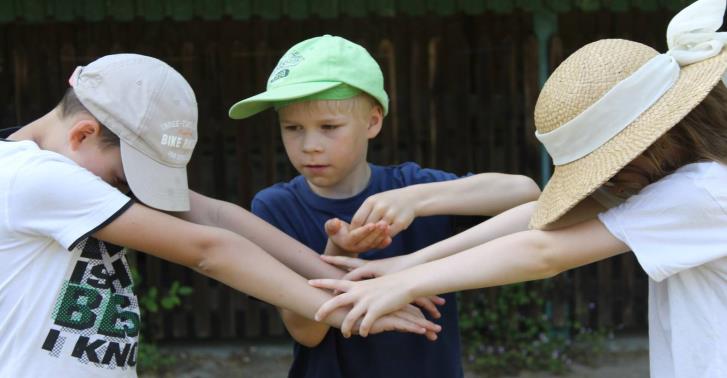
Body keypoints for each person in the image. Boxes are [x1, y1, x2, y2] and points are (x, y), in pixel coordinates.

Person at [309, 1, 727, 377]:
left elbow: (543, 252)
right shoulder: (683, 180)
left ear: (650, 143)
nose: (606, 182)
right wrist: (409, 265)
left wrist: (408, 284)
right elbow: (543, 216)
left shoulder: (703, 192)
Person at [0, 53, 441, 378]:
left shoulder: (51, 169)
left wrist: (353, 281)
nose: (127, 192)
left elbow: (213, 215)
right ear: (83, 134)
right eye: (123, 177)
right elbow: (209, 249)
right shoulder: (35, 178)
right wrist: (346, 309)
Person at [228, 35, 541, 378]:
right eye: (293, 128)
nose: (310, 146)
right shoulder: (274, 208)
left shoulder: (409, 186)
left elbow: (525, 193)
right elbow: (306, 332)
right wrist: (335, 253)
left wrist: (418, 198)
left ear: (373, 122)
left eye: (329, 127)